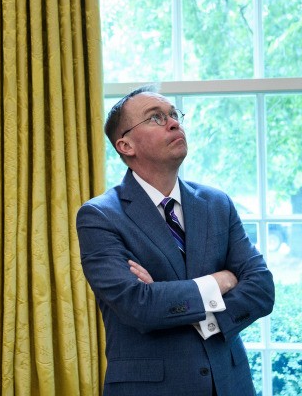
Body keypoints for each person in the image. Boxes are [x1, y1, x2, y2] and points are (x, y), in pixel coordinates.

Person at [76, 86, 275, 396]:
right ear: (126, 145)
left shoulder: (217, 204)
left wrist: (188, 310)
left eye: (173, 115)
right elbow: (137, 305)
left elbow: (262, 289)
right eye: (156, 118)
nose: (173, 123)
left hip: (230, 384)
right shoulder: (99, 217)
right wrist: (218, 281)